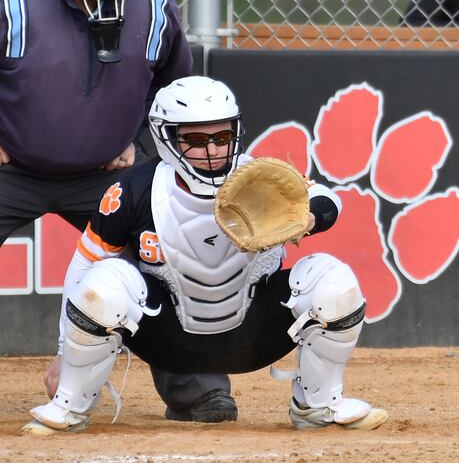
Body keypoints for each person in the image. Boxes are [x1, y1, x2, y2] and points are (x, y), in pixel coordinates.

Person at [22, 75, 389, 435]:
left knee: (333, 280)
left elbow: (330, 199)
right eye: (196, 139)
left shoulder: (261, 179)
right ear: (166, 138)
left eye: (223, 136)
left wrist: (308, 216)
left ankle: (319, 406)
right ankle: (71, 405)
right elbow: (85, 264)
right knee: (105, 282)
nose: (213, 150)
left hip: (251, 335)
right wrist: (62, 354)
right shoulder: (134, 190)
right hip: (168, 340)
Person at [0, 0, 233, 424]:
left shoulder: (152, 3)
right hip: (11, 169)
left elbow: (177, 98)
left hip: (106, 174)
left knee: (173, 251)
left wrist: (145, 147)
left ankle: (197, 387)